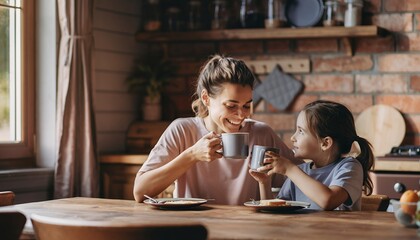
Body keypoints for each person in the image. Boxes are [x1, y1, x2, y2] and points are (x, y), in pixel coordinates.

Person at [133, 54, 302, 205]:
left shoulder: (261, 133)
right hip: (194, 230)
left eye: (247, 105)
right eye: (231, 106)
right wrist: (192, 155)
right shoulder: (182, 130)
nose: (241, 115)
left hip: (248, 229)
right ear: (206, 98)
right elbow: (140, 192)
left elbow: (305, 178)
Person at [250, 100, 374, 210]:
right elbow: (276, 210)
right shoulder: (299, 172)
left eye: (301, 131)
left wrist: (289, 169)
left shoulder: (350, 167)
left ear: (325, 143)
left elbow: (328, 201)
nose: (293, 138)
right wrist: (264, 183)